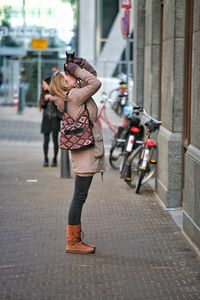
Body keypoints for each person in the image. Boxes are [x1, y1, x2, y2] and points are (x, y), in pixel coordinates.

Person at [49, 57, 105, 254]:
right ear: (63, 83)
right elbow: (95, 83)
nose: (72, 75)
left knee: (79, 197)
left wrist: (81, 65)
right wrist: (78, 70)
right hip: (86, 154)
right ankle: (72, 242)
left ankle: (74, 240)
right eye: (68, 74)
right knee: (79, 197)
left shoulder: (74, 94)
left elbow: (93, 77)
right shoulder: (73, 96)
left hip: (85, 152)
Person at [38, 77, 61, 167]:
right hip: (46, 118)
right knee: (46, 139)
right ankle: (46, 159)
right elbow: (41, 106)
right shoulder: (43, 93)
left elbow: (60, 104)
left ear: (49, 84)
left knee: (55, 139)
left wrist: (52, 98)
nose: (42, 86)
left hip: (55, 118)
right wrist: (43, 101)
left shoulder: (56, 92)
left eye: (44, 84)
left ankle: (54, 159)